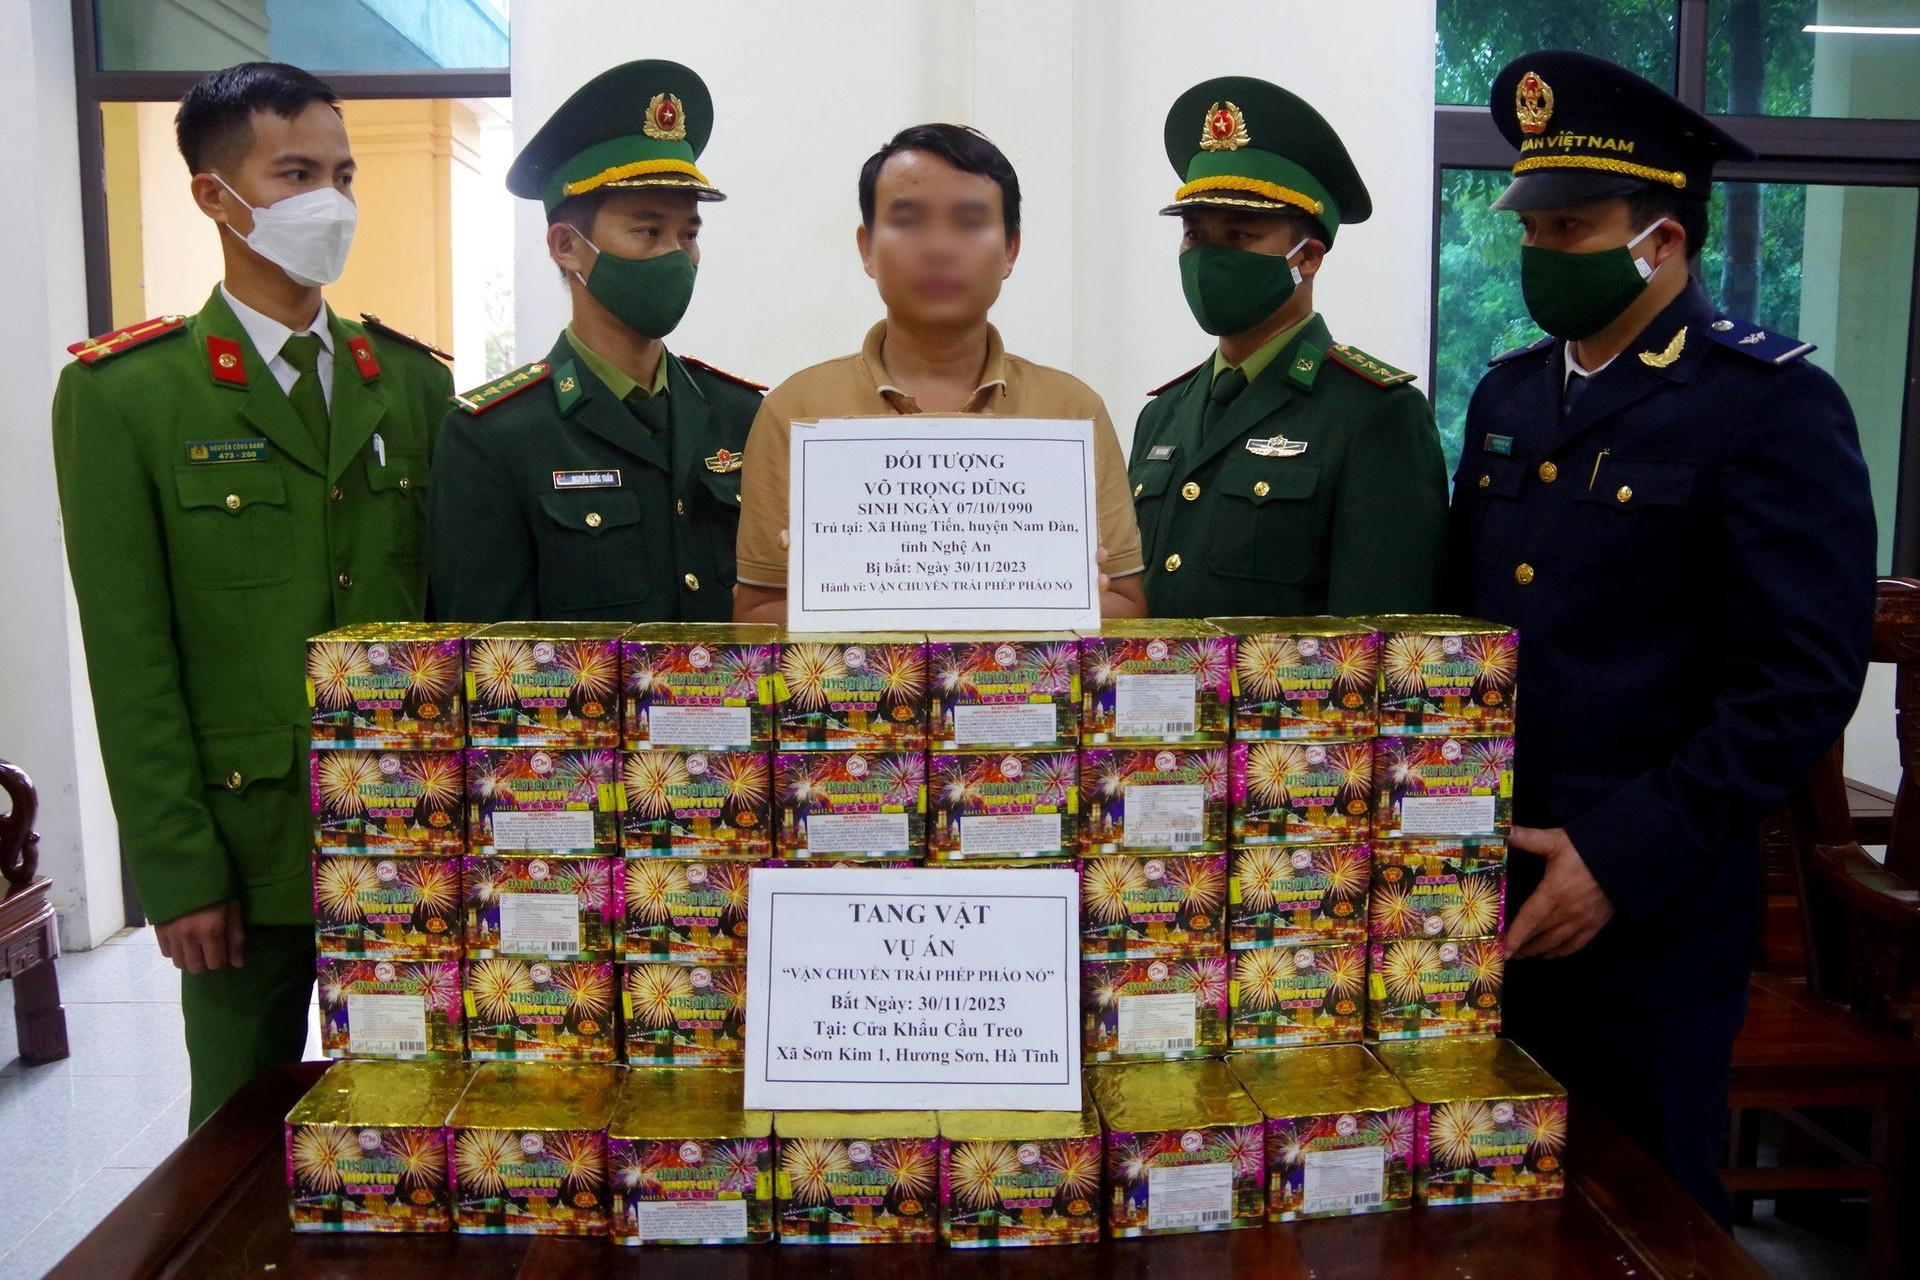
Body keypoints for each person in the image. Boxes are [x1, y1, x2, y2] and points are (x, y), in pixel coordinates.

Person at [1449, 50, 1875, 1222]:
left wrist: (1620, 854)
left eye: (1572, 229)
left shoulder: (1768, 403)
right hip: (1485, 888)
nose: (1541, 253)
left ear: (1663, 241)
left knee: (1647, 1208)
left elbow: (1799, 682)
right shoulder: (1508, 396)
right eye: (1532, 229)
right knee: (1489, 1206)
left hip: (1651, 909)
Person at [51, 62, 453, 1125]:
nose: (332, 201)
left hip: (407, 832)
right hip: (243, 845)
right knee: (234, 1140)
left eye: (343, 174)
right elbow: (130, 655)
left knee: (410, 1128)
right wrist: (178, 870)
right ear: (214, 195)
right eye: (296, 174)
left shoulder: (412, 383)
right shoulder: (128, 395)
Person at [731, 123, 1146, 623]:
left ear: (1010, 250)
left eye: (970, 222)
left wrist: (1020, 593)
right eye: (908, 221)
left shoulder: (1073, 410)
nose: (939, 247)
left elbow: (1127, 606)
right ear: (867, 248)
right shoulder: (796, 411)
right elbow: (755, 614)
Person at [430, 60, 763, 622]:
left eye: (688, 234)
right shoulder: (495, 436)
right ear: (566, 246)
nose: (676, 256)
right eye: (647, 230)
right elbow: (488, 654)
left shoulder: (742, 416)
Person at [1131, 76, 1447, 618]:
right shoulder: (1162, 415)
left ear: (1308, 257)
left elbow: (1383, 637)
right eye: (1195, 235)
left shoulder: (1375, 415)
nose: (1208, 258)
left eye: (1240, 236)